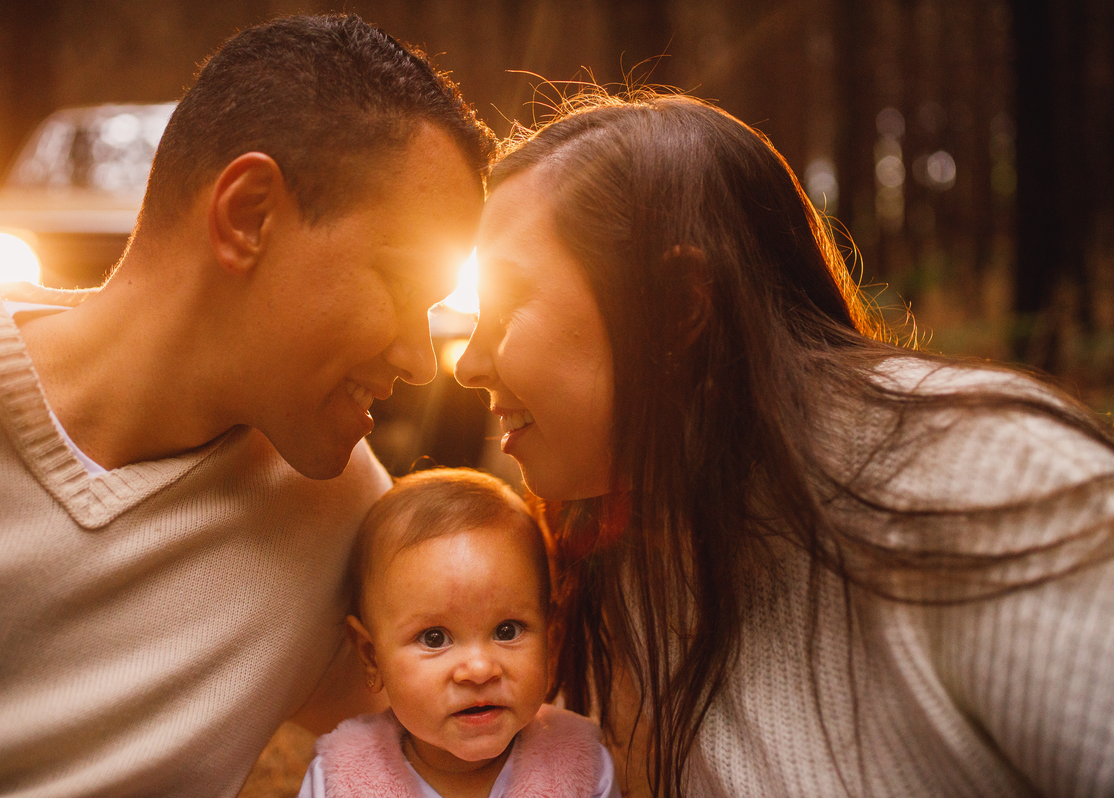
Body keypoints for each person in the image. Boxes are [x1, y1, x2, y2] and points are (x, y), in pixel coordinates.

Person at [455, 92, 1114, 797]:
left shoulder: (982, 481)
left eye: (509, 307)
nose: (467, 365)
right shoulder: (608, 561)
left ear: (679, 307)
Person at [0, 14, 493, 797]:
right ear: (249, 215)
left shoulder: (344, 520)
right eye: (399, 285)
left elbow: (500, 736)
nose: (422, 362)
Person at [298, 468, 619, 798]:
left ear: (551, 637)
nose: (479, 670)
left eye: (507, 631)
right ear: (371, 655)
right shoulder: (342, 780)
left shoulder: (581, 767)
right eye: (434, 638)